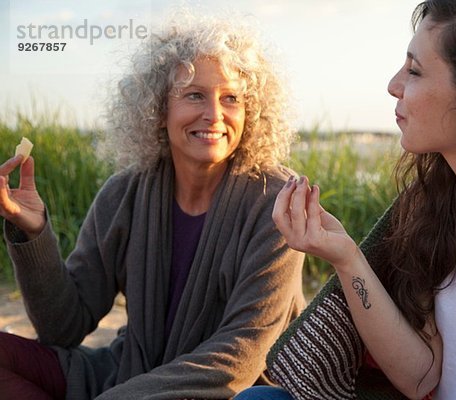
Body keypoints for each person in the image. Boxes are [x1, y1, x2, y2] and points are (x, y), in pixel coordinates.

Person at [235, 0, 456, 399]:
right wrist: (345, 256)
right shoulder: (436, 204)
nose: (394, 85)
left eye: (415, 71)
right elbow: (421, 377)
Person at [0, 13, 305, 400]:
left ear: (251, 113)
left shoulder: (277, 204)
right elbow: (63, 329)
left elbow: (240, 359)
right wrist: (32, 232)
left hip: (230, 392)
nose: (214, 114)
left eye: (231, 98)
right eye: (194, 94)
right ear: (160, 110)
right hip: (128, 375)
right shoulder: (123, 194)